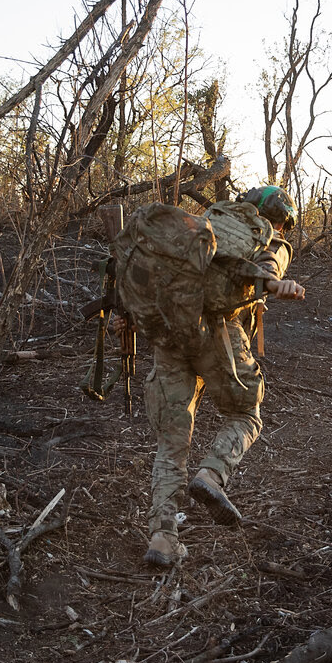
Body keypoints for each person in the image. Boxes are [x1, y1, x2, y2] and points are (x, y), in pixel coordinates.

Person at [117, 186, 306, 567]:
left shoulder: (206, 222)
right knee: (246, 414)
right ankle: (212, 474)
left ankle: (162, 537)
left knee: (172, 442)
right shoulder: (270, 238)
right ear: (280, 221)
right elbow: (271, 263)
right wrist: (275, 283)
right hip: (217, 335)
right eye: (284, 225)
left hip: (170, 332)